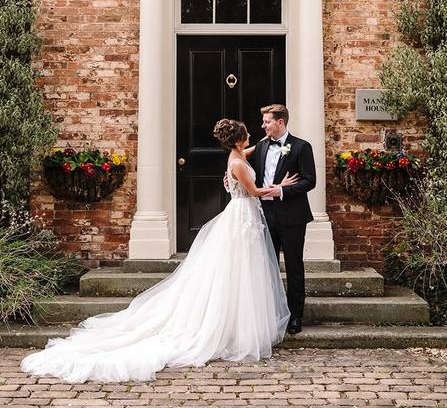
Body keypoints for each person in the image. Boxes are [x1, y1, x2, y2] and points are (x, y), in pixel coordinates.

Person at [20, 119, 297, 383]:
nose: (250, 138)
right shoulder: (237, 164)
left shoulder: (237, 155)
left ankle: (239, 325)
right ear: (238, 139)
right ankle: (232, 328)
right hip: (242, 215)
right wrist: (281, 187)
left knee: (240, 269)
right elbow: (255, 192)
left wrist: (265, 140)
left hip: (242, 217)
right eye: (247, 135)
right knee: (239, 268)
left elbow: (249, 151)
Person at [250, 104, 316, 335]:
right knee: (267, 266)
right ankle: (271, 313)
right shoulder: (260, 146)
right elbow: (241, 165)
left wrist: (282, 191)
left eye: (267, 121)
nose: (263, 125)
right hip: (265, 216)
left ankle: (295, 315)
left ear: (280, 122)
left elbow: (309, 181)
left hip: (293, 216)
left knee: (294, 266)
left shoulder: (301, 147)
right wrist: (230, 179)